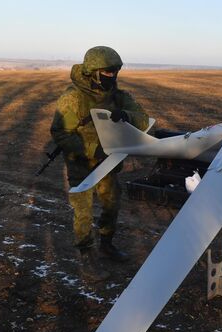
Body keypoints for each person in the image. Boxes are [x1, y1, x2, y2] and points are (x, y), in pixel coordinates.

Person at [50, 46, 149, 281]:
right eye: (107, 72)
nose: (112, 76)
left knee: (111, 204)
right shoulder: (72, 98)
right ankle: (87, 256)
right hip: (81, 164)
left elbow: (143, 120)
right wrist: (92, 150)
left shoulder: (117, 96)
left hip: (108, 163)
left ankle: (106, 244)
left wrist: (127, 117)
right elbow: (61, 133)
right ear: (93, 72)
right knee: (83, 212)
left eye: (115, 71)